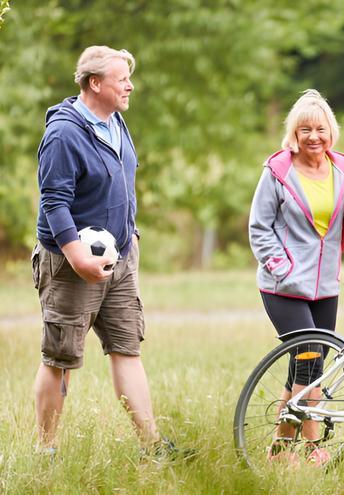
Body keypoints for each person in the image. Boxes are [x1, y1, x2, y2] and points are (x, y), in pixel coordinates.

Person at [33, 46, 180, 458]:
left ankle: (153, 447)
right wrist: (79, 257)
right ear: (95, 83)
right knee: (59, 358)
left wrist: (130, 236)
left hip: (119, 260)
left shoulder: (116, 121)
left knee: (127, 348)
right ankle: (46, 450)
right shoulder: (63, 134)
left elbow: (122, 185)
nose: (130, 85)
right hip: (69, 265)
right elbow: (54, 201)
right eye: (122, 78)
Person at [248, 89, 344, 467]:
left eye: (320, 129)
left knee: (303, 365)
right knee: (311, 362)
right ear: (294, 133)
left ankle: (278, 447)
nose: (313, 137)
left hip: (325, 287)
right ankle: (312, 446)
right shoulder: (278, 171)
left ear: (331, 132)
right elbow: (259, 228)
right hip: (283, 287)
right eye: (304, 129)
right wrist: (283, 269)